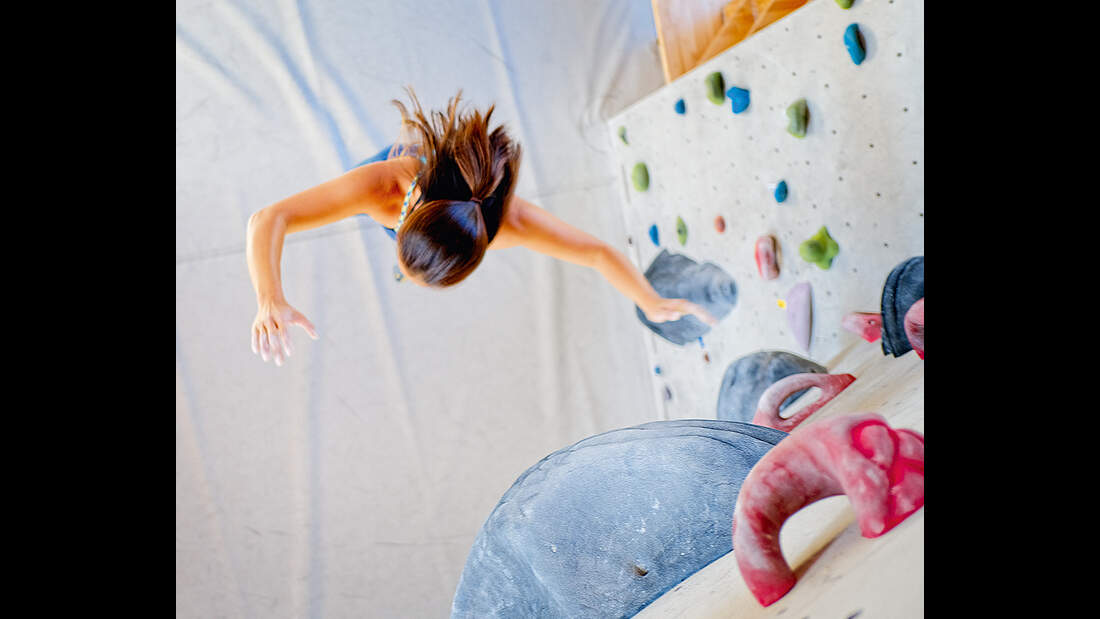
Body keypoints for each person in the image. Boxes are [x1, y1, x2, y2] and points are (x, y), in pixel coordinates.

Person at [247, 88, 716, 365]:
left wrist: (648, 300)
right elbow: (268, 218)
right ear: (404, 217)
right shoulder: (382, 187)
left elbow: (596, 253)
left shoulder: (509, 224)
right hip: (414, 178)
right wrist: (271, 296)